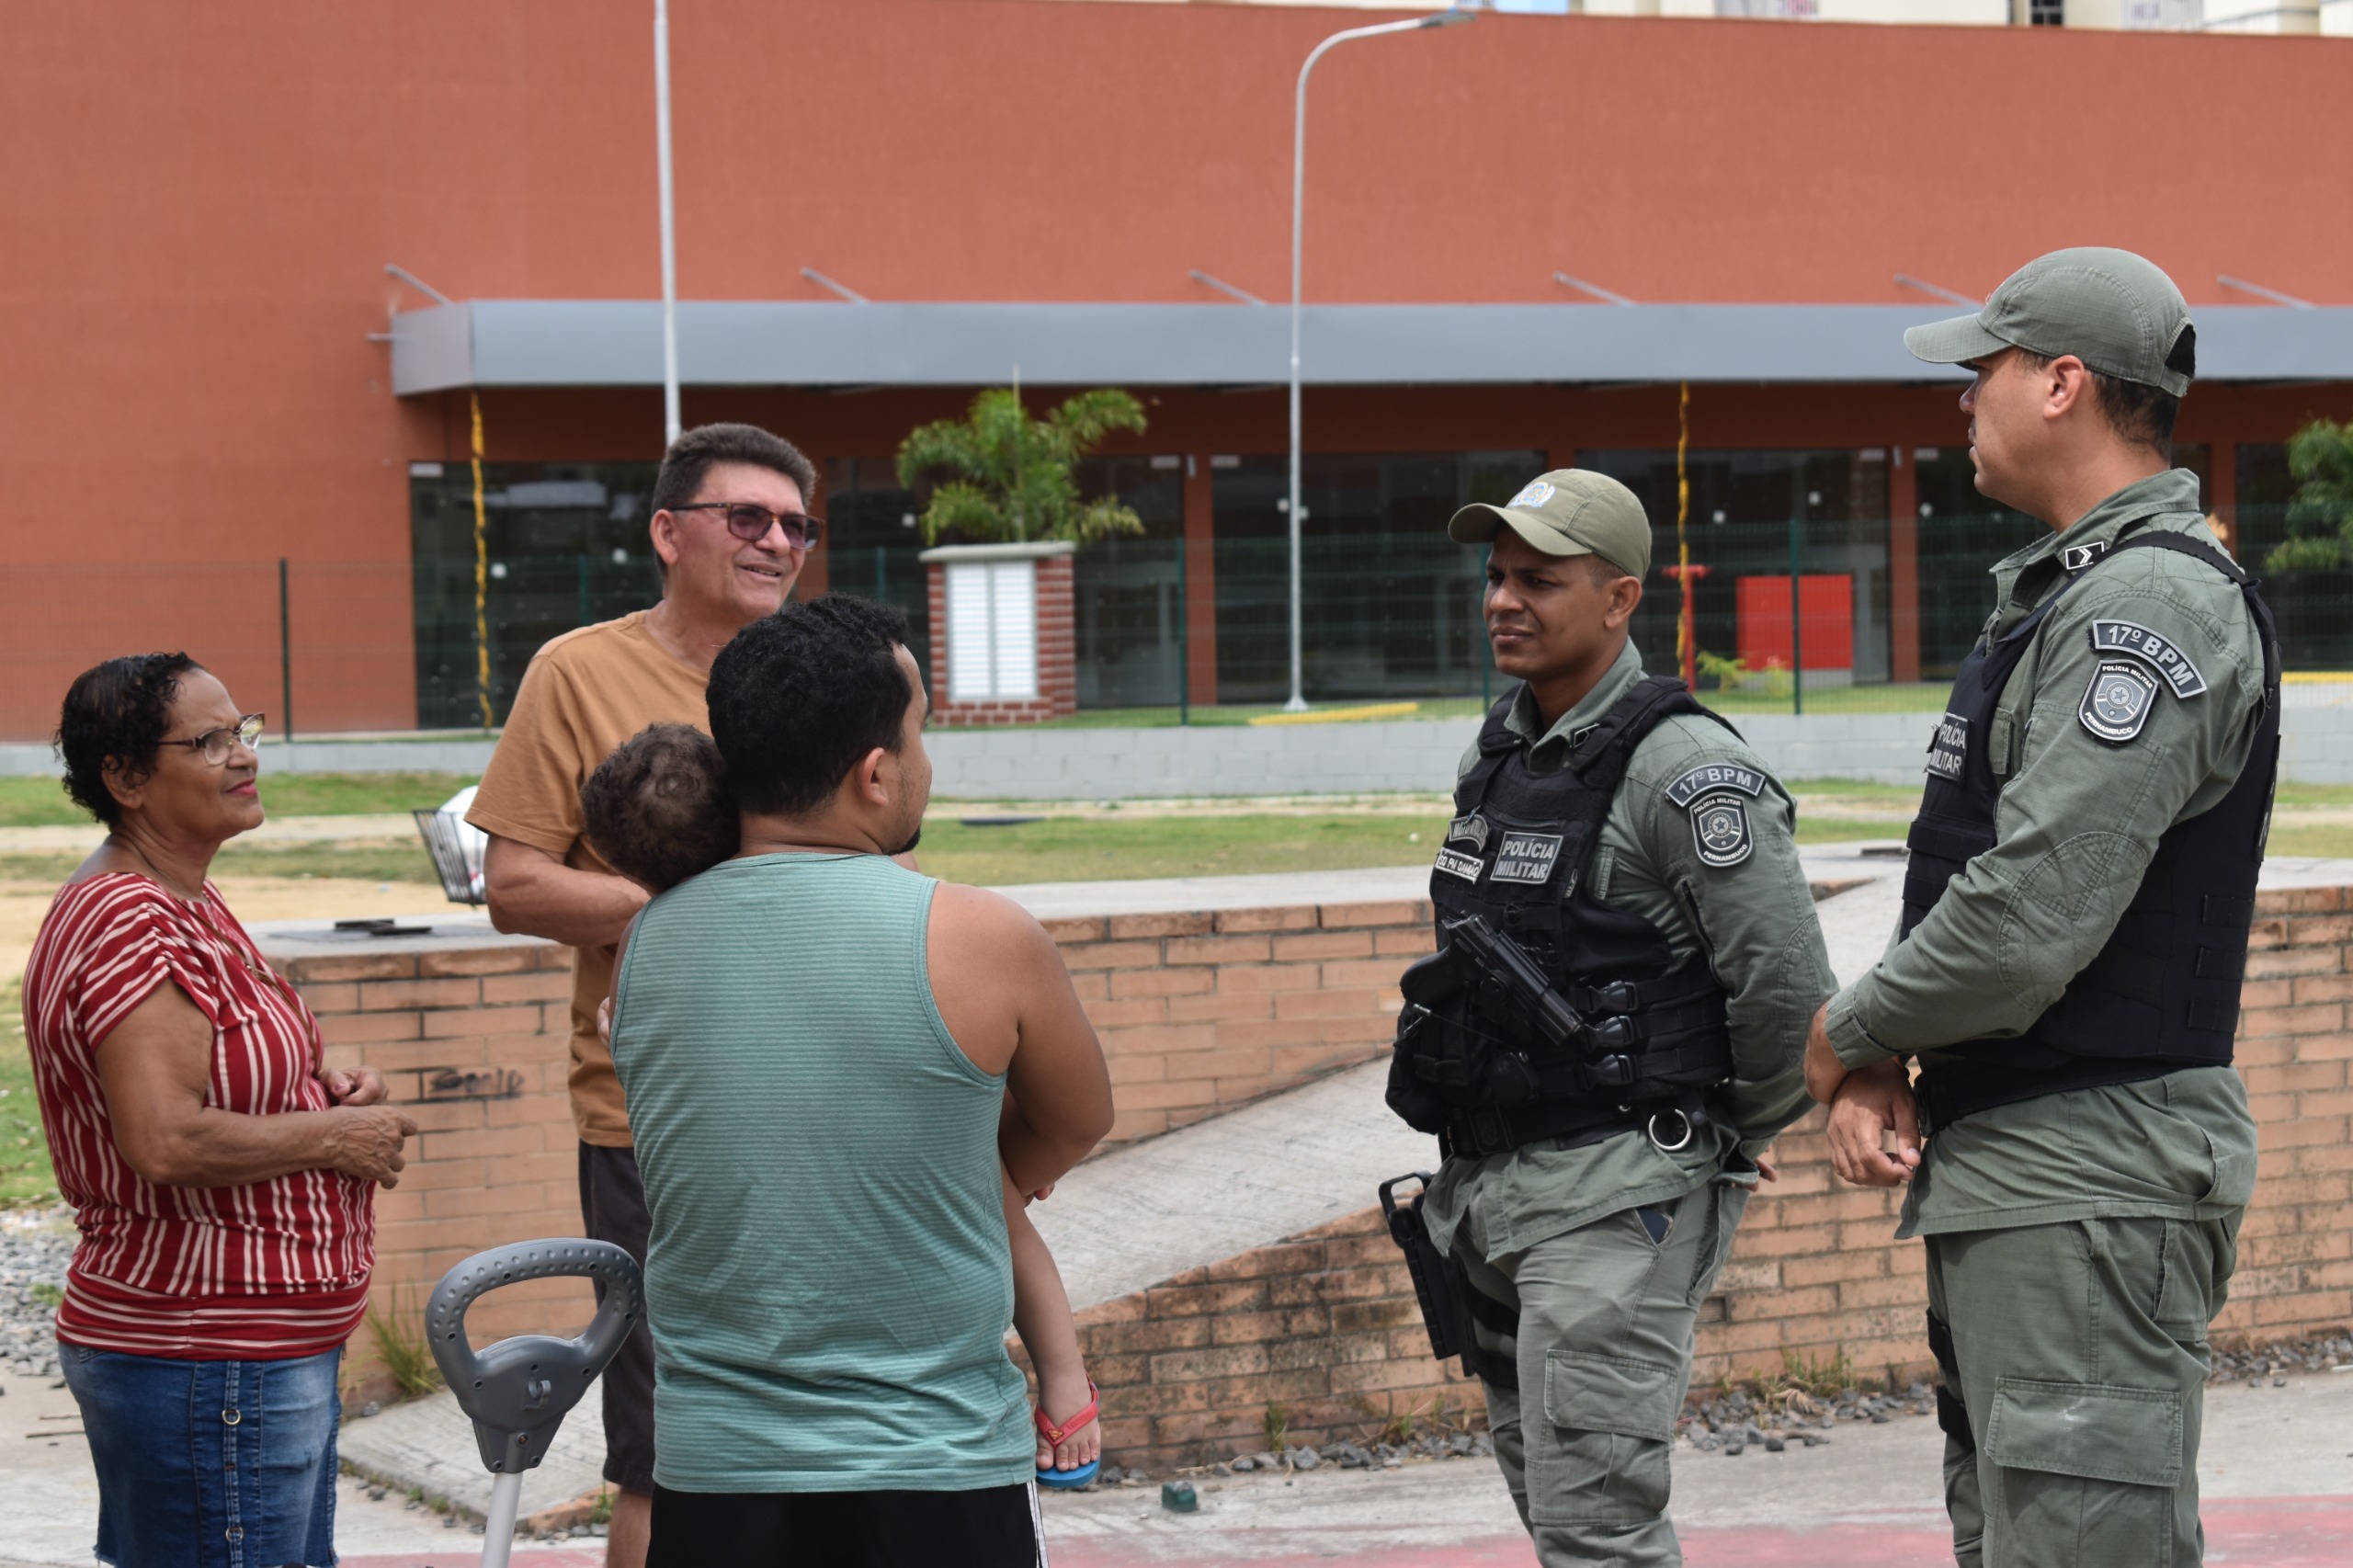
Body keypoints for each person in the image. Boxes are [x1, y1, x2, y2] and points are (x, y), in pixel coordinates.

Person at [1804, 249, 2272, 1568]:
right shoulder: (2073, 590)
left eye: (1984, 367)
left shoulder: (2151, 600)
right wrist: (1900, 1058)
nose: (1963, 395)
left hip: (2090, 1172)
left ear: (2062, 381)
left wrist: (1852, 1031)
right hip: (2026, 1165)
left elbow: (2031, 912)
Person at [599, 597, 1112, 1565]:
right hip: (935, 1463)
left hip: (715, 1470)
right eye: (918, 733)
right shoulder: (983, 934)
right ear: (874, 774)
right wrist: (984, 1181)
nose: (925, 761)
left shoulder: (645, 943)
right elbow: (1080, 1116)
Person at [1389, 471, 1831, 1566]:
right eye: (1496, 576)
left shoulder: (1686, 770)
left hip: (1613, 1196)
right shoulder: (1495, 752)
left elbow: (1783, 985)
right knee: (1553, 1510)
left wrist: (1729, 1136)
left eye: (1539, 578)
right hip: (1493, 1192)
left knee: (1599, 1532)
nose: (1503, 598)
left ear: (1621, 596)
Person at [466, 421, 819, 1564]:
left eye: (796, 525)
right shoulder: (579, 670)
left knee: (825, 1439)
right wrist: (695, 903)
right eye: (747, 517)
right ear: (669, 532)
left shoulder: (822, 669)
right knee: (665, 1453)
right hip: (655, 1118)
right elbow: (513, 884)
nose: (776, 542)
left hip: (827, 1106)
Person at [22, 653, 416, 1568]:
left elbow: (240, 1063)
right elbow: (164, 1138)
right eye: (208, 740)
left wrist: (330, 1079)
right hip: (208, 1358)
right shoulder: (129, 916)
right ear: (124, 777)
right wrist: (337, 1132)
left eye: (245, 730)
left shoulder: (188, 900)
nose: (243, 755)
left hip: (242, 1356)